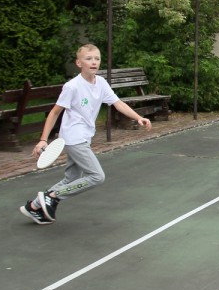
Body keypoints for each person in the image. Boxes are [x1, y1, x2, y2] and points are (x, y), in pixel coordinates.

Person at [20, 44, 154, 225]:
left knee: (72, 179)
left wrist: (138, 117)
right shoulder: (72, 86)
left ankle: (34, 207)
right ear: (79, 63)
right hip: (73, 138)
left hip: (84, 137)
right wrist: (43, 140)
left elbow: (118, 103)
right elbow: (54, 112)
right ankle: (51, 196)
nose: (93, 62)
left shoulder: (101, 83)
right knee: (96, 176)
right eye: (89, 59)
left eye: (97, 59)